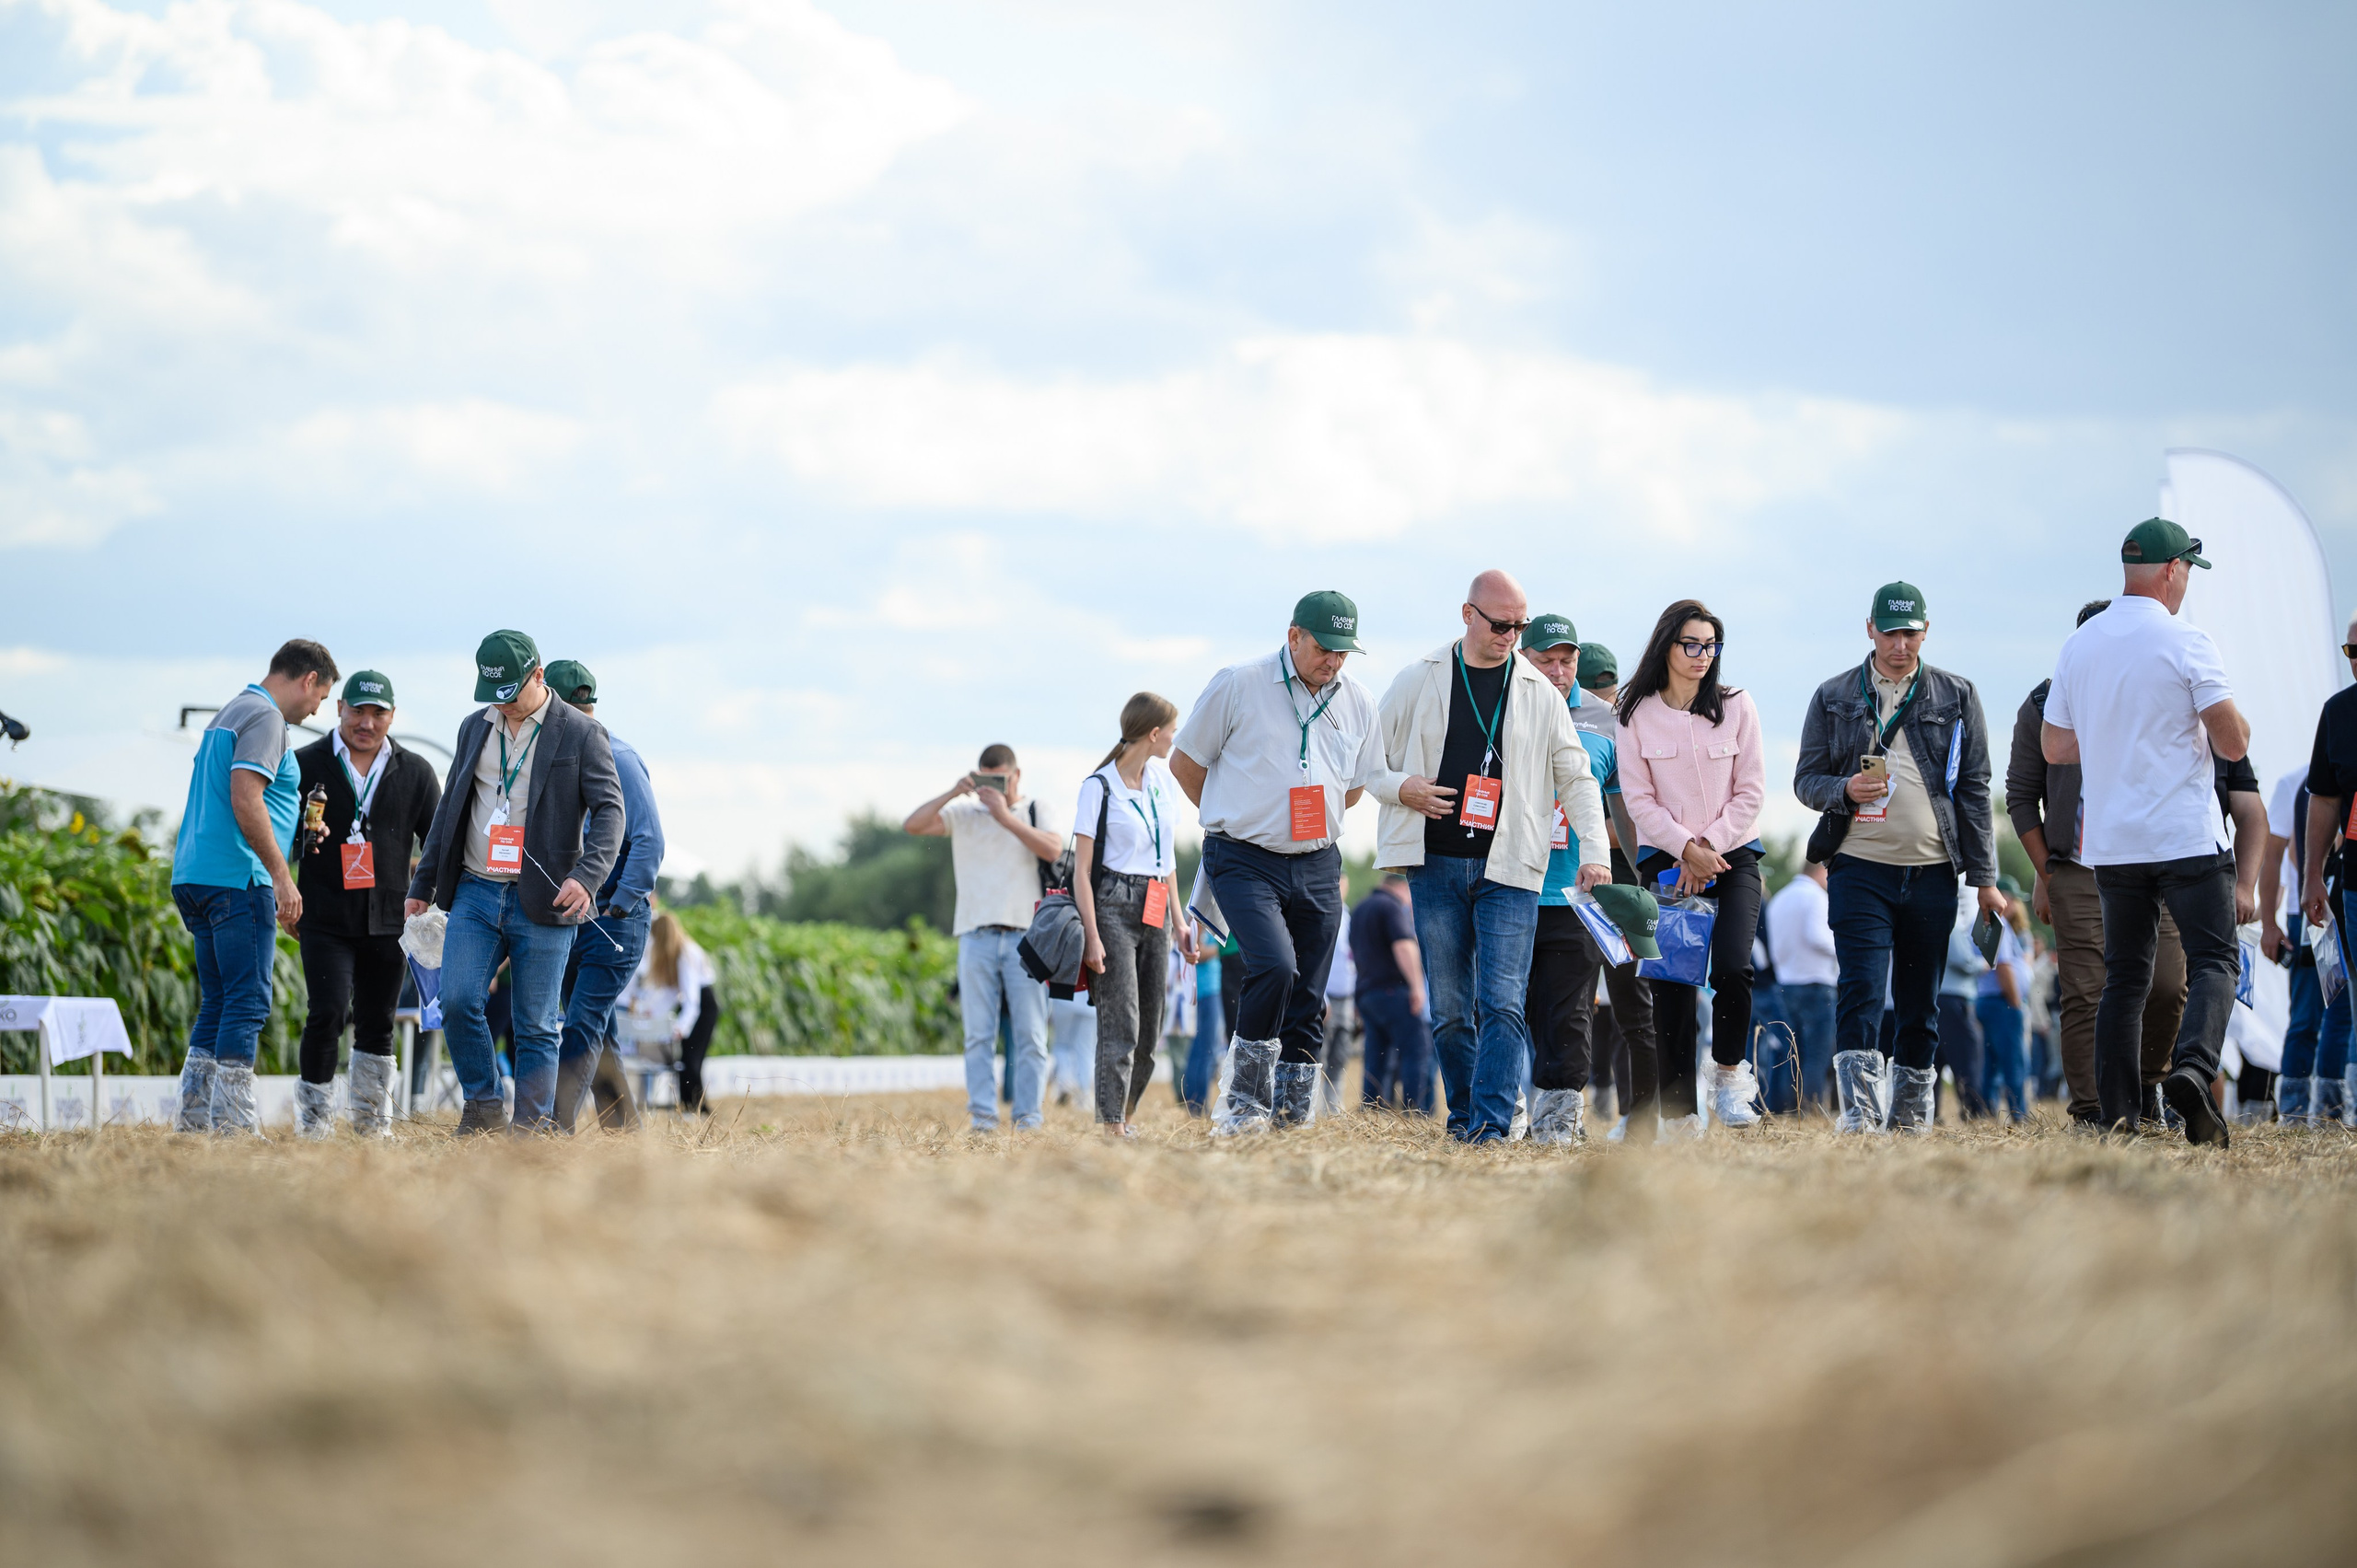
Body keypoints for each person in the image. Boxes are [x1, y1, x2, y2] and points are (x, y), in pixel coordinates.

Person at [1374, 575, 1610, 1144]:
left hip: (1512, 867)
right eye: (1500, 624)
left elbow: (1576, 776)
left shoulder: (1537, 690)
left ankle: (1490, 1127)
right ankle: (1462, 1117)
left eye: (1519, 626)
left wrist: (1597, 852)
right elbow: (1366, 761)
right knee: (1452, 1009)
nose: (1510, 635)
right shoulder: (1417, 679)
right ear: (1467, 615)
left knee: (1502, 1002)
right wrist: (1400, 787)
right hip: (1435, 864)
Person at [2042, 519, 2251, 1144]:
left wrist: (2114, 737)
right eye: (2187, 570)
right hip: (2185, 834)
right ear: (2171, 569)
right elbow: (2233, 740)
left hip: (2115, 841)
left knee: (2124, 977)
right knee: (2215, 957)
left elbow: (2055, 747)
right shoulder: (2187, 640)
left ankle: (2120, 1114)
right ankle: (2191, 1067)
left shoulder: (2080, 645)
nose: (2186, 582)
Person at [1174, 590, 1406, 1132]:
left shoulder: (1358, 701)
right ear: (1293, 636)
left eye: (1345, 652)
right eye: (1324, 648)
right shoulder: (1239, 684)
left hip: (1319, 860)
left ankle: (1293, 1116)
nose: (1334, 661)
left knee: (1309, 991)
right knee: (1274, 966)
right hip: (1243, 857)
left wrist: (1312, 818)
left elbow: (1355, 788)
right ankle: (1242, 1110)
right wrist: (1232, 813)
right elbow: (1185, 762)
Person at [1794, 581, 2003, 1134]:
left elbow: (1975, 790)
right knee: (1861, 988)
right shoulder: (1833, 694)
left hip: (1934, 871)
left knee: (1920, 1001)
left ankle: (1911, 1119)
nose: (1901, 644)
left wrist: (1985, 879)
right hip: (1858, 867)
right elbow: (1805, 781)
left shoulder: (1957, 695)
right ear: (1870, 630)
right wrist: (1844, 790)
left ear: (1926, 632)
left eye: (1911, 633)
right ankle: (1861, 1117)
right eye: (1891, 632)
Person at [405, 631, 626, 1135]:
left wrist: (588, 878)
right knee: (457, 1000)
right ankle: (483, 1105)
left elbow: (611, 813)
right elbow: (449, 810)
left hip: (544, 898)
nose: (504, 708)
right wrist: (423, 881)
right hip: (476, 889)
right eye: (494, 698)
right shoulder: (473, 728)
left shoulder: (582, 734)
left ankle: (530, 1131)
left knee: (536, 1024)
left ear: (539, 676)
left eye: (513, 696)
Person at [2009, 600, 2189, 1127]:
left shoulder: (2157, 690)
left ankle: (2149, 1082)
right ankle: (2095, 1112)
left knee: (2167, 984)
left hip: (2155, 862)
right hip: (2079, 868)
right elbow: (2021, 795)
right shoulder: (2045, 701)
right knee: (2087, 993)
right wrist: (2048, 873)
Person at [172, 640, 340, 1135]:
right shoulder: (267, 719)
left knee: (219, 999)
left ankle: (195, 1119)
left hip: (196, 875)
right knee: (248, 999)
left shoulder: (230, 711)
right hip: (238, 879)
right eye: (321, 698)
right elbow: (246, 799)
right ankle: (234, 1127)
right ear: (309, 679)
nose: (316, 710)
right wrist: (283, 878)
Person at [1615, 599, 1769, 1138]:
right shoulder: (1635, 714)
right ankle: (1680, 1116)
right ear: (1668, 645)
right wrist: (1684, 849)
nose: (1703, 655)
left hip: (1735, 855)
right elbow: (1638, 801)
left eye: (1711, 646)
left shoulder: (1737, 705)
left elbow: (1750, 792)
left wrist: (1707, 848)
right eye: (1692, 644)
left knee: (1733, 967)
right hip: (1666, 861)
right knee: (1673, 988)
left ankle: (1728, 1076)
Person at [290, 670, 442, 1138]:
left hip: (388, 920)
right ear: (339, 708)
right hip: (324, 917)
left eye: (378, 713)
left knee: (377, 1023)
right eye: (358, 710)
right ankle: (314, 1127)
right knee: (328, 1012)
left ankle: (370, 1129)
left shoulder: (415, 771)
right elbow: (280, 833)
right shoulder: (303, 763)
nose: (367, 723)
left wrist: (428, 901)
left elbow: (436, 843)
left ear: (392, 716)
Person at [530, 660, 668, 1133]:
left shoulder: (621, 759)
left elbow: (649, 839)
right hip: (577, 913)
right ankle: (624, 1129)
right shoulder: (561, 758)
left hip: (613, 915)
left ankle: (556, 1126)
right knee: (597, 1030)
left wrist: (621, 901)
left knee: (582, 1024)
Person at [1516, 613, 1637, 1144]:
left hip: (1574, 893)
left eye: (1568, 661)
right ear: (1524, 658)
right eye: (1548, 661)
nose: (1560, 672)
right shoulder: (1500, 703)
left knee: (1569, 1015)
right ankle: (1503, 1113)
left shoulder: (1606, 721)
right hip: (1505, 888)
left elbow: (1628, 813)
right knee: (1503, 1011)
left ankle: (1558, 1124)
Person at [904, 745, 1065, 1132]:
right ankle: (983, 1119)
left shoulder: (1034, 810)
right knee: (978, 1035)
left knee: (1030, 1034)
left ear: (1016, 775)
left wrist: (1004, 816)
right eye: (985, 779)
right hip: (974, 935)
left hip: (1026, 937)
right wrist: (952, 793)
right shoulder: (965, 814)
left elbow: (1054, 848)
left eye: (1000, 779)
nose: (992, 787)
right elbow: (913, 825)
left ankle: (1028, 1119)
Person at [1072, 693, 1196, 1135]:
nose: (1174, 739)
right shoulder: (1098, 787)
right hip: (1111, 906)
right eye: (1173, 731)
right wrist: (1092, 934)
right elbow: (1081, 872)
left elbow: (1168, 862)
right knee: (1121, 1022)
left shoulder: (1161, 782)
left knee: (1151, 1028)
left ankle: (1126, 1117)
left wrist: (1180, 923)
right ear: (1154, 733)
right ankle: (1111, 1127)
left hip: (1158, 906)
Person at [2263, 744, 2351, 1125]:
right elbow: (2275, 853)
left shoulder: (2342, 775)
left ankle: (2326, 1112)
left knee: (2337, 1013)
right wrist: (2269, 921)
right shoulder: (2293, 784)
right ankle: (2298, 1113)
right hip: (2311, 916)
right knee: (2311, 1016)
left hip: (2336, 911)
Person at [2294, 620, 2357, 1129]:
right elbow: (2325, 800)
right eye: (2350, 649)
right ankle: (2340, 1115)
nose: (2355, 657)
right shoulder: (2339, 713)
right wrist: (2313, 875)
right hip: (2354, 883)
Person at [615, 912, 719, 1120]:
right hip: (694, 1008)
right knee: (687, 1060)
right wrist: (651, 1012)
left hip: (705, 1008)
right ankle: (693, 1107)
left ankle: (695, 1108)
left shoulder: (684, 954)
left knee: (691, 1060)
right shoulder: (677, 953)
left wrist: (681, 1027)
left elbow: (692, 1001)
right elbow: (672, 994)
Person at [1352, 873, 1434, 1114]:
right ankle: (1415, 1111)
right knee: (1416, 1050)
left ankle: (1371, 1107)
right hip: (1393, 990)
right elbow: (1404, 945)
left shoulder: (1360, 909)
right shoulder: (1391, 906)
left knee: (1376, 1054)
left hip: (1367, 993)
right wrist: (1418, 987)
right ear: (1403, 887)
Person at [1760, 861, 1839, 1111]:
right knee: (1816, 1054)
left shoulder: (1781, 898)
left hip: (1785, 983)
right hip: (1816, 984)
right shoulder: (1816, 897)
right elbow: (1817, 936)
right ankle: (1809, 1110)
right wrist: (1845, 949)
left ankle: (1785, 1110)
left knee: (1790, 1056)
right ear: (1820, 870)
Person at [1976, 879, 2032, 1121]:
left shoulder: (1984, 925)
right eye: (2015, 899)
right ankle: (2019, 1115)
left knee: (1992, 1062)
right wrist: (2016, 1002)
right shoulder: (2000, 926)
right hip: (2003, 1002)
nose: (2017, 905)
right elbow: (2005, 967)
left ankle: (1986, 1112)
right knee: (2013, 1062)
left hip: (1989, 1001)